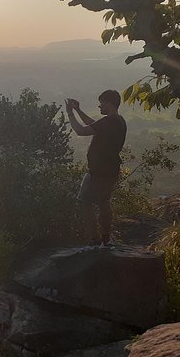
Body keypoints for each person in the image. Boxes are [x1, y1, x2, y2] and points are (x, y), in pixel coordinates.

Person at [65, 90, 127, 246]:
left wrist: (70, 114)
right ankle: (106, 237)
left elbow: (80, 131)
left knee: (84, 202)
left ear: (109, 103)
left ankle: (94, 239)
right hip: (111, 170)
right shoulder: (118, 121)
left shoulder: (109, 122)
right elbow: (94, 124)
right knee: (104, 202)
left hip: (98, 172)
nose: (99, 106)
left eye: (101, 102)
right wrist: (78, 110)